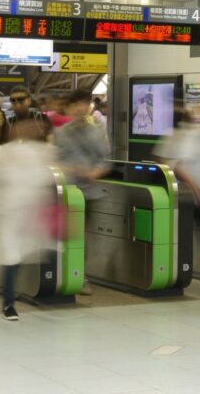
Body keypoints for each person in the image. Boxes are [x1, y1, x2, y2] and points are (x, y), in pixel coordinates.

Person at [155, 107, 200, 292]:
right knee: (182, 236)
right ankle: (177, 272)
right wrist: (193, 185)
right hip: (187, 196)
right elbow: (174, 165)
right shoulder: (185, 136)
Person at [0, 120, 56, 321]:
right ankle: (8, 303)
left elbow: (44, 178)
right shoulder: (6, 151)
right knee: (11, 257)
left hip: (29, 215)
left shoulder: (40, 152)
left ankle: (9, 290)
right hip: (11, 214)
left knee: (19, 257)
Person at [54, 89, 111, 296]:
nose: (81, 108)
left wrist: (97, 171)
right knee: (68, 236)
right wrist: (71, 169)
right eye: (76, 104)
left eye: (85, 104)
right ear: (69, 108)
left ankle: (80, 275)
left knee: (83, 238)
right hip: (69, 193)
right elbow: (54, 161)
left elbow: (105, 160)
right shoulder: (61, 133)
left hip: (90, 194)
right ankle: (65, 273)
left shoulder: (97, 131)